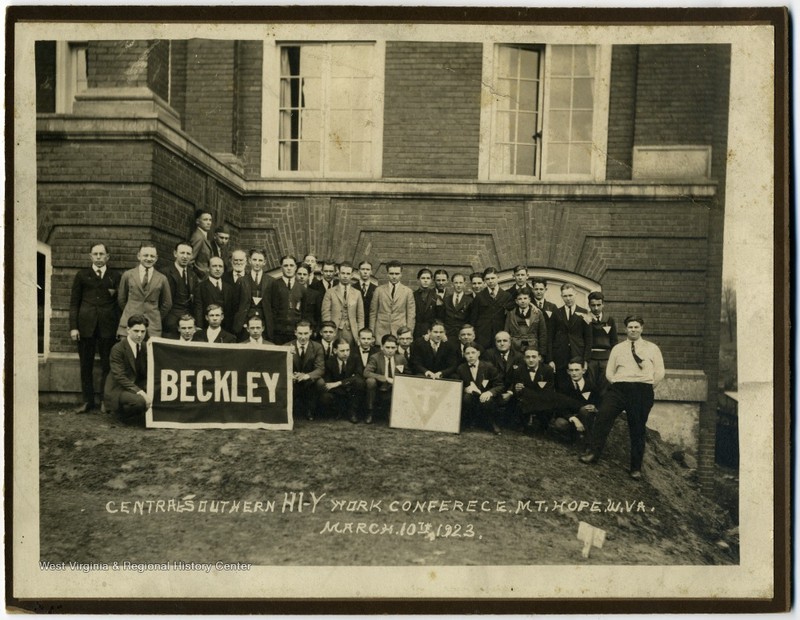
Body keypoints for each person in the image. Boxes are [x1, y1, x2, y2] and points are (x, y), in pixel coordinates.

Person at [580, 315, 665, 480]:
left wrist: (647, 385)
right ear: (626, 329)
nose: (633, 330)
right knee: (603, 416)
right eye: (630, 327)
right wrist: (619, 384)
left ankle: (635, 468)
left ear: (642, 328)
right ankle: (593, 454)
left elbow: (660, 371)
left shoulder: (652, 348)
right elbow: (610, 372)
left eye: (636, 327)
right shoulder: (618, 348)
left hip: (641, 390)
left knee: (637, 428)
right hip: (619, 389)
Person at [69, 242, 121, 413]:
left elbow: (119, 304)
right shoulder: (82, 275)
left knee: (108, 364)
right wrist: (74, 327)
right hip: (85, 326)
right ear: (90, 256)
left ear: (108, 257)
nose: (99, 257)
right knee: (86, 364)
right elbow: (74, 304)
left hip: (108, 326)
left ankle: (105, 401)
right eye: (95, 254)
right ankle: (87, 401)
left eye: (102, 254)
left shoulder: (115, 275)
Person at [103, 314, 151, 425]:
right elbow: (120, 376)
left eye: (143, 331)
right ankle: (122, 414)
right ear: (128, 330)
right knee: (140, 401)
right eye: (136, 331)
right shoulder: (118, 348)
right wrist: (141, 392)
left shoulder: (145, 346)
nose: (139, 335)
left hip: (135, 384)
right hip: (119, 388)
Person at [117, 243, 172, 338]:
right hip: (130, 323)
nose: (149, 258)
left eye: (152, 256)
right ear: (139, 256)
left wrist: (155, 315)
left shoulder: (162, 278)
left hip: (152, 326)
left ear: (156, 258)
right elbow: (121, 299)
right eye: (145, 255)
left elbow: (167, 303)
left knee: (150, 351)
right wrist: (132, 310)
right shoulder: (128, 275)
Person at [548, 283, 592, 390]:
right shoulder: (556, 312)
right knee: (561, 385)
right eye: (565, 296)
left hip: (577, 353)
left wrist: (586, 359)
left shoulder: (584, 312)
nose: (568, 299)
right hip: (560, 355)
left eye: (570, 295)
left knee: (578, 384)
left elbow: (588, 337)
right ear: (562, 296)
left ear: (575, 294)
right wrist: (550, 359)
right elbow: (550, 337)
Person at [508, 348, 561, 432]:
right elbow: (517, 388)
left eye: (533, 357)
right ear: (524, 358)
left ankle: (543, 425)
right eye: (528, 357)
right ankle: (522, 424)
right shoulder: (518, 370)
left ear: (539, 357)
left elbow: (549, 389)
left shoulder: (547, 370)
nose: (531, 360)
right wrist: (517, 389)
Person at [456, 344, 503, 435]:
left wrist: (489, 392)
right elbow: (458, 385)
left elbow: (499, 385)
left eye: (473, 352)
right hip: (471, 397)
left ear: (478, 353)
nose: (470, 355)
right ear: (464, 355)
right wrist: (465, 389)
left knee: (487, 400)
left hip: (486, 397)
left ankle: (491, 423)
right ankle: (466, 422)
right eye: (467, 353)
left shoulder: (488, 366)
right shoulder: (461, 368)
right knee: (466, 398)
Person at [554, 358, 602, 442]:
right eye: (571, 370)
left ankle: (587, 438)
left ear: (583, 371)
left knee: (585, 410)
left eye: (577, 370)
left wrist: (595, 408)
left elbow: (599, 402)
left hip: (585, 417)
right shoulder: (563, 386)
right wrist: (573, 419)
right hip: (570, 417)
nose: (574, 373)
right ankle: (571, 436)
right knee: (560, 423)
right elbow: (559, 407)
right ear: (568, 372)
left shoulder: (591, 385)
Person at [317, 339, 365, 423]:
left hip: (351, 389)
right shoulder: (329, 362)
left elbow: (359, 376)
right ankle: (337, 411)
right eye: (342, 351)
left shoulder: (355, 358)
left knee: (359, 383)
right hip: (339, 392)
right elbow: (328, 383)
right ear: (335, 351)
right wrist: (344, 384)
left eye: (347, 350)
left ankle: (352, 413)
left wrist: (339, 383)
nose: (346, 353)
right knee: (326, 396)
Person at [364, 334, 408, 424]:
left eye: (393, 348)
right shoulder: (375, 357)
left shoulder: (401, 358)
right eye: (387, 347)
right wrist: (385, 378)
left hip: (394, 387)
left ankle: (392, 412)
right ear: (382, 347)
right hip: (380, 386)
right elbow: (366, 372)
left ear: (396, 348)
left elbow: (408, 373)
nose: (390, 351)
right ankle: (370, 411)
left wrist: (398, 380)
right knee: (370, 381)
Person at [233, 249, 274, 341]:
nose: (257, 263)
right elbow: (235, 304)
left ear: (265, 262)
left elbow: (273, 305)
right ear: (249, 260)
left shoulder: (271, 281)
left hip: (264, 323)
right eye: (254, 260)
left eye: (260, 260)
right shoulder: (241, 281)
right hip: (244, 323)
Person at [369, 260, 415, 342]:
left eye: (397, 274)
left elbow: (411, 315)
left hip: (400, 331)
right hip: (381, 331)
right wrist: (372, 333)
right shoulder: (379, 290)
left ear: (401, 274)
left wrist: (409, 333)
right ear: (387, 274)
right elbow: (373, 313)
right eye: (391, 273)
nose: (394, 276)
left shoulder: (408, 291)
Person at [288, 320, 324, 420]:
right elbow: (282, 367)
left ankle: (310, 410)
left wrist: (306, 376)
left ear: (311, 333)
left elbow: (320, 368)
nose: (303, 337)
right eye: (300, 333)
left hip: (309, 380)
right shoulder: (287, 346)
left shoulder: (317, 347)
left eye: (306, 333)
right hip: (293, 379)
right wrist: (291, 375)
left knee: (320, 382)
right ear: (295, 332)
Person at [321, 261, 364, 344]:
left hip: (351, 331)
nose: (345, 276)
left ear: (351, 275)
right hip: (334, 330)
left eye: (348, 274)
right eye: (343, 273)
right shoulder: (330, 292)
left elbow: (360, 316)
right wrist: (328, 331)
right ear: (338, 274)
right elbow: (325, 313)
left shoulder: (357, 293)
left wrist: (360, 333)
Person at [470, 267, 513, 349]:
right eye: (488, 279)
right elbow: (473, 318)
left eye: (493, 278)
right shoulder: (479, 297)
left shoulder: (506, 296)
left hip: (500, 334)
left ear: (498, 278)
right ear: (485, 280)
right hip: (483, 335)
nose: (490, 281)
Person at [163, 241, 199, 338]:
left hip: (188, 320)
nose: (185, 256)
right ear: (175, 254)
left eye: (188, 254)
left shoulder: (192, 275)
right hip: (170, 319)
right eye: (182, 253)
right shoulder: (165, 273)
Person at [193, 256, 237, 333]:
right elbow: (198, 308)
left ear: (223, 269)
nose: (217, 269)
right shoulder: (201, 287)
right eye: (214, 266)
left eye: (220, 266)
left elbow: (232, 310)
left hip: (226, 330)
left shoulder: (229, 288)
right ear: (208, 268)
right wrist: (199, 327)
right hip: (207, 328)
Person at [271, 254, 307, 345]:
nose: (289, 268)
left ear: (296, 267)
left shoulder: (302, 288)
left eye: (291, 265)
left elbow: (304, 312)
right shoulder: (274, 285)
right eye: (286, 265)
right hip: (277, 333)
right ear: (281, 267)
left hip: (295, 333)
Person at [586, 291, 618, 393]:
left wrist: (614, 359)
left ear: (603, 304)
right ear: (589, 305)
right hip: (590, 358)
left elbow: (614, 341)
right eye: (593, 305)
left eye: (598, 305)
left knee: (605, 384)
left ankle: (603, 407)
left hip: (606, 358)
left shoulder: (609, 320)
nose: (596, 308)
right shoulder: (585, 319)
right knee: (590, 383)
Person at [504, 289, 547, 356]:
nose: (523, 301)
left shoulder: (537, 313)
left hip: (533, 347)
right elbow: (506, 332)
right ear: (516, 301)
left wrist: (542, 353)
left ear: (529, 300)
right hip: (515, 348)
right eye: (520, 299)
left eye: (525, 298)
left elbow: (542, 334)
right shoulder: (511, 314)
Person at [443, 273, 473, 340]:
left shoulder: (470, 300)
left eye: (461, 283)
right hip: (448, 334)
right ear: (452, 284)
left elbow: (471, 319)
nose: (458, 285)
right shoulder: (446, 300)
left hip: (463, 335)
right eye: (456, 283)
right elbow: (442, 318)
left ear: (464, 284)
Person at [296, 263, 322, 336]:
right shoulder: (289, 292)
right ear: (295, 274)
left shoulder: (315, 294)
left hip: (310, 331)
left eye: (304, 274)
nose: (301, 277)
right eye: (299, 274)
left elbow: (318, 316)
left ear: (309, 276)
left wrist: (316, 330)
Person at [413, 268, 438, 338]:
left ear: (431, 280)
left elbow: (439, 317)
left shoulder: (436, 297)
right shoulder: (413, 295)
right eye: (423, 278)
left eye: (428, 278)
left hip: (430, 331)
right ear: (418, 280)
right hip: (416, 331)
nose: (425, 280)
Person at [190, 208, 213, 278]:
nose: (208, 222)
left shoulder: (203, 236)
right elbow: (190, 260)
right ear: (197, 221)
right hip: (199, 278)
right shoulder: (198, 237)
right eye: (205, 220)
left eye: (210, 220)